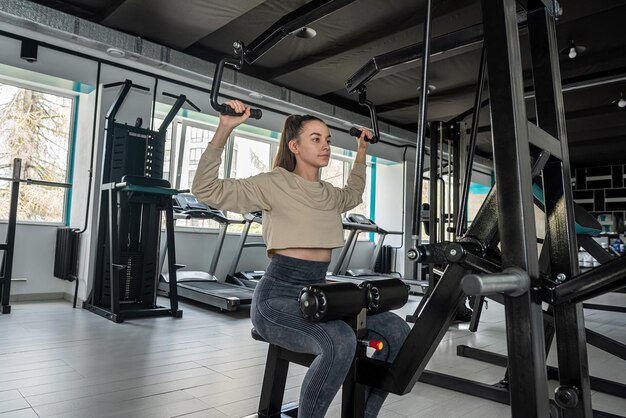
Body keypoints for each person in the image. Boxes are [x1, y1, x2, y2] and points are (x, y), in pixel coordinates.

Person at [192, 100, 411, 418]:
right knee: (339, 340)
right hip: (277, 297)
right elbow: (205, 189)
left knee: (396, 331)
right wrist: (224, 127)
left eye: (328, 140)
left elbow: (354, 192)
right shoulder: (272, 184)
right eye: (316, 138)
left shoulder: (329, 194)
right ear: (294, 145)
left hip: (321, 292)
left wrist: (361, 149)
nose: (325, 145)